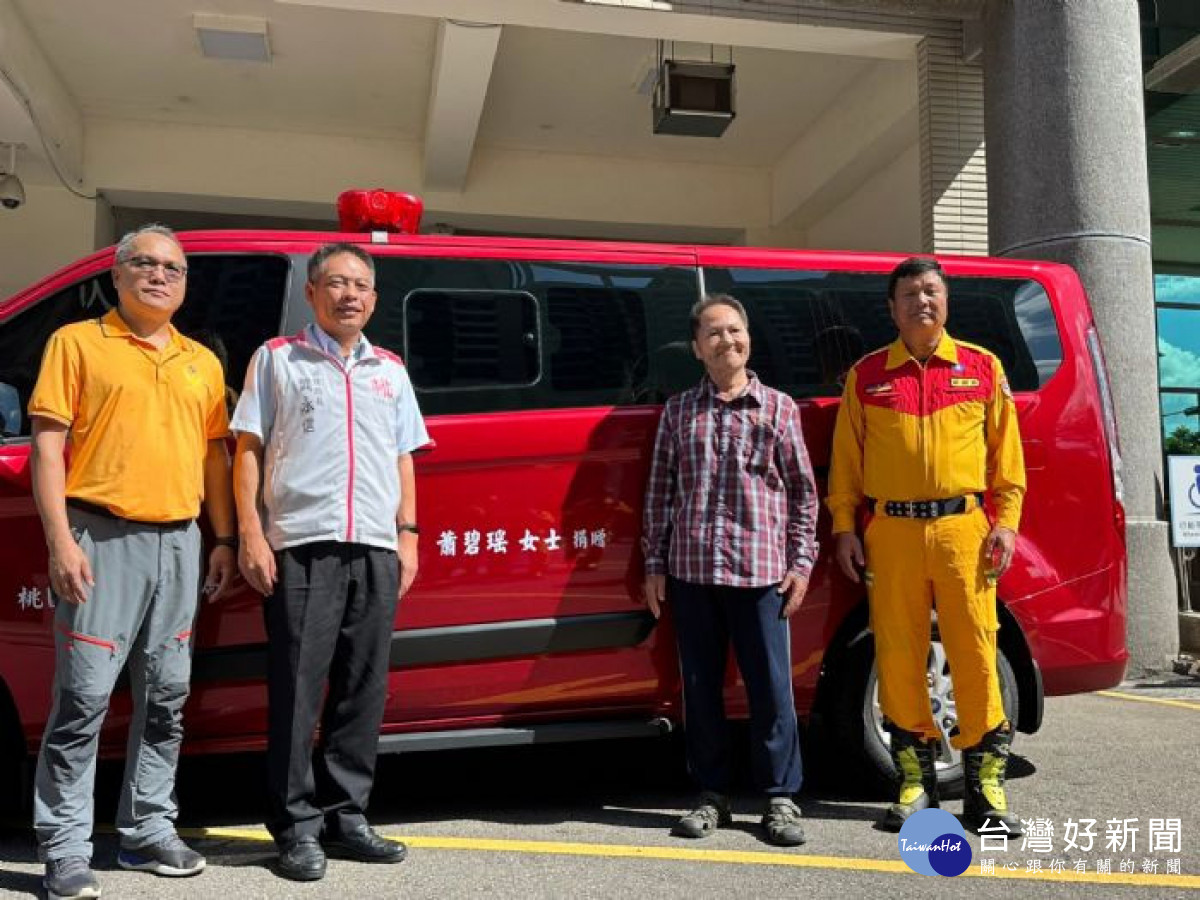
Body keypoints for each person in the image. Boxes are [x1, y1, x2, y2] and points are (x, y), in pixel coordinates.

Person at [29, 225, 237, 900]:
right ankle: (64, 846)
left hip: (180, 543)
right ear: (115, 277)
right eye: (143, 264)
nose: (158, 275)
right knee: (84, 699)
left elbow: (214, 458)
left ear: (183, 284)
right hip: (100, 538)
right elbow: (47, 448)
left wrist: (225, 538)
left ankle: (147, 829)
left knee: (166, 697)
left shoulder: (201, 362)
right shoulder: (77, 344)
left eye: (172, 268)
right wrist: (60, 542)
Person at [231, 243, 429, 882]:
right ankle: (294, 827)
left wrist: (409, 535)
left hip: (374, 544)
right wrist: (250, 535)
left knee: (362, 690)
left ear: (373, 299)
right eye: (337, 283)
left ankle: (347, 817)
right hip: (302, 543)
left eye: (362, 285)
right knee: (296, 691)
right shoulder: (278, 358)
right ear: (312, 293)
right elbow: (248, 450)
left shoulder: (390, 371)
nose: (350, 294)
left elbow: (404, 457)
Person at [826, 256, 1026, 834]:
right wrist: (845, 525)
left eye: (931, 291)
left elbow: (1006, 460)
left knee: (974, 653)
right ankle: (915, 783)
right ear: (892, 308)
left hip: (965, 529)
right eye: (910, 292)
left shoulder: (981, 368)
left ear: (946, 301)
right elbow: (846, 464)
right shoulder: (867, 377)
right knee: (898, 654)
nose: (922, 301)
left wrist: (1006, 522)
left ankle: (987, 790)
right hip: (890, 531)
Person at [641, 293, 818, 848]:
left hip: (761, 573)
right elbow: (660, 491)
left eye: (735, 330)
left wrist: (801, 562)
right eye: (713, 333)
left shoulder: (779, 409)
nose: (727, 340)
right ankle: (711, 794)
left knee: (771, 690)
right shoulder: (679, 412)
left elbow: (803, 495)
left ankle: (780, 799)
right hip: (692, 571)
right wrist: (654, 562)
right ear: (697, 348)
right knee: (701, 689)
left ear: (748, 338)